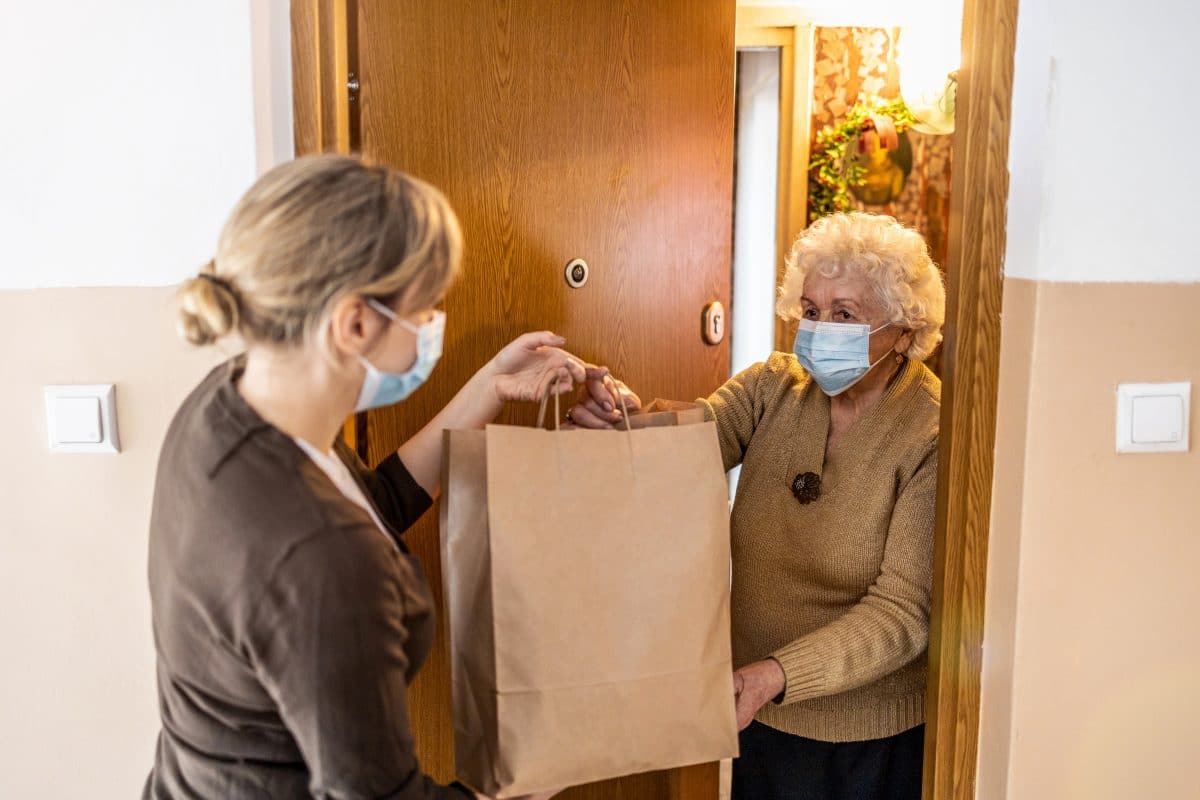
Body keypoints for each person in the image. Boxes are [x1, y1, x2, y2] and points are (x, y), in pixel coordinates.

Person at [144, 154, 585, 799]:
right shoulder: (321, 558)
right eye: (427, 307)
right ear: (354, 324)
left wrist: (490, 386)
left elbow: (372, 503)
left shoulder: (233, 404)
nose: (436, 324)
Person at [570, 211, 946, 800]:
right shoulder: (776, 385)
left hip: (868, 738)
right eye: (812, 311)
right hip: (761, 711)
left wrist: (778, 674)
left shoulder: (930, 432)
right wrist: (626, 420)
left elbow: (902, 613)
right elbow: (697, 439)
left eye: (845, 315)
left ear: (904, 328)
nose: (819, 331)